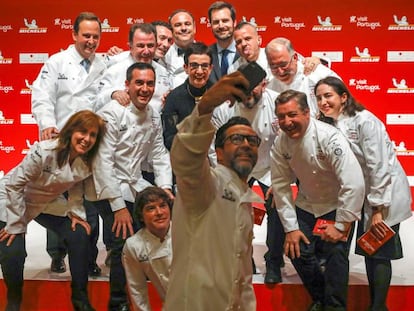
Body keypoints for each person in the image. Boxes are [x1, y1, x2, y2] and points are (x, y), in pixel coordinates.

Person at [164, 71, 264, 310]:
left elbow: (242, 269)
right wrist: (205, 107)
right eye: (237, 139)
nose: (247, 145)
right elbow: (185, 159)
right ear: (218, 152)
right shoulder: (205, 184)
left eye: (253, 141)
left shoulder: (244, 195)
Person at [314, 76, 412, 311]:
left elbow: (378, 167)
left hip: (383, 190)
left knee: (377, 250)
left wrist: (378, 210)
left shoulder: (365, 121)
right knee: (341, 247)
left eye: (328, 96)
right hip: (354, 192)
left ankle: (378, 307)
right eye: (319, 97)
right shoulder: (327, 125)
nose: (323, 102)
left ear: (343, 97)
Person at [0, 110, 106, 311]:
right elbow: (14, 186)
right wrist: (16, 225)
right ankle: (14, 302)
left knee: (79, 234)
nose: (87, 139)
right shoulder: (44, 150)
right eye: (83, 132)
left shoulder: (87, 160)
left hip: (46, 201)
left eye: (93, 135)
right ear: (71, 130)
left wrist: (75, 212)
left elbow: (76, 187)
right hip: (12, 198)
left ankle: (80, 300)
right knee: (12, 249)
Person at [270, 89, 366, 311]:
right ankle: (322, 298)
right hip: (307, 203)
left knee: (335, 255)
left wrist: (342, 225)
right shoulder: (280, 143)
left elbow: (353, 183)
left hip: (336, 204)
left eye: (292, 114)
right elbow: (281, 187)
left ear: (307, 113)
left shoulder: (329, 137)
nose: (287, 122)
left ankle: (335, 307)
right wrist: (291, 228)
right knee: (296, 249)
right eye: (281, 116)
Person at [89, 62, 173, 311]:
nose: (145, 88)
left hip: (135, 181)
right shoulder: (111, 112)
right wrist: (118, 207)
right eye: (139, 83)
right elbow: (103, 163)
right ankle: (118, 303)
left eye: (149, 83)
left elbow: (159, 153)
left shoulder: (154, 113)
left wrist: (165, 187)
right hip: (105, 186)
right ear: (127, 85)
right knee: (122, 238)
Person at [31, 11, 106, 277]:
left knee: (89, 203)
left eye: (96, 36)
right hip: (61, 142)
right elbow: (41, 96)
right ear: (74, 34)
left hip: (90, 145)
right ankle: (57, 255)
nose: (91, 41)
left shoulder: (104, 63)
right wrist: (46, 123)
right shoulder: (56, 62)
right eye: (86, 35)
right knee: (57, 198)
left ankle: (88, 258)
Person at [211, 79, 284, 284]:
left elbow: (285, 143)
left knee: (276, 209)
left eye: (252, 86)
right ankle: (243, 258)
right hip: (236, 166)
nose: (247, 92)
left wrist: (280, 180)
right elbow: (215, 142)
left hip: (270, 165)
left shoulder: (276, 104)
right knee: (233, 211)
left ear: (264, 84)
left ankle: (273, 262)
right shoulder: (225, 107)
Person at [97, 23, 170, 114]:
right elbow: (96, 102)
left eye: (150, 46)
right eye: (141, 46)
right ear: (130, 47)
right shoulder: (114, 70)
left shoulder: (163, 72)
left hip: (154, 124)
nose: (146, 51)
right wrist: (112, 94)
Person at [122, 186, 172, 311]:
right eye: (151, 208)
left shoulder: (186, 231)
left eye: (163, 206)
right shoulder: (134, 246)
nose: (159, 212)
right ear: (140, 216)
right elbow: (137, 291)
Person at [265, 37, 340, 117]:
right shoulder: (269, 87)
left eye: (283, 65)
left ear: (295, 57)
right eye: (274, 66)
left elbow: (343, 106)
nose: (280, 71)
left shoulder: (319, 75)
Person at [162, 42, 213, 150]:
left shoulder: (220, 94)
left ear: (211, 68)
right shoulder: (174, 98)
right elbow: (169, 138)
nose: (199, 71)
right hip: (184, 157)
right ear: (185, 68)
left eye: (204, 66)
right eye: (194, 66)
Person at [207, 1, 239, 84]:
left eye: (225, 21)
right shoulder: (206, 54)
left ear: (234, 23)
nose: (221, 26)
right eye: (216, 22)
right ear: (211, 26)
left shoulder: (246, 52)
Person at [164, 9, 196, 88]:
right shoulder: (164, 55)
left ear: (194, 27)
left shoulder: (207, 53)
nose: (183, 28)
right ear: (171, 30)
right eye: (178, 25)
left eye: (187, 24)